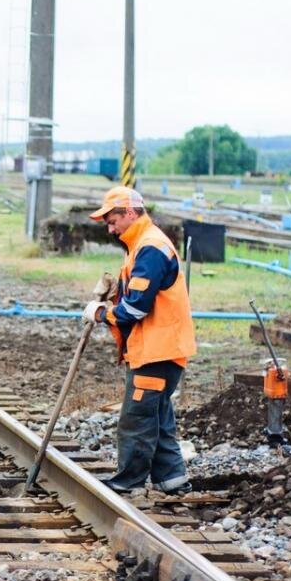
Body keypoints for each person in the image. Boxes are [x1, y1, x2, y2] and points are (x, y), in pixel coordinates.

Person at [84, 186, 196, 495]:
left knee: (137, 418)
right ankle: (172, 480)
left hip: (156, 352)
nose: (110, 228)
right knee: (157, 417)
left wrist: (100, 313)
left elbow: (134, 308)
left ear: (130, 213)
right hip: (159, 350)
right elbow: (135, 294)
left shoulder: (150, 247)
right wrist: (114, 294)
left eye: (112, 220)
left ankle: (126, 483)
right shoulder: (142, 246)